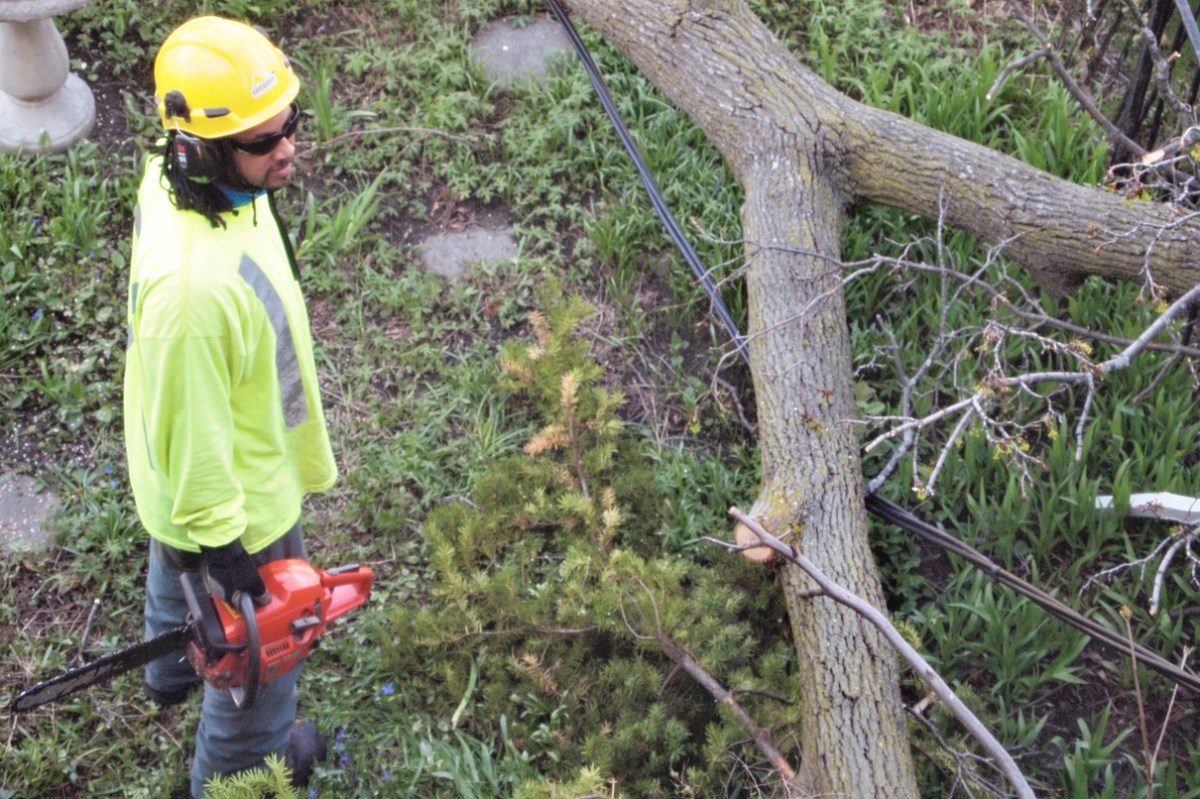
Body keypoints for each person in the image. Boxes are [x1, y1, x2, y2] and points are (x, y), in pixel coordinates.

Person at [123, 16, 337, 797]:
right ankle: (239, 773)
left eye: (290, 126)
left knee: (171, 564)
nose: (287, 150)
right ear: (201, 149)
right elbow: (201, 436)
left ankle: (171, 672)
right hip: (236, 500)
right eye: (262, 141)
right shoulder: (192, 296)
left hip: (176, 478)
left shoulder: (182, 178)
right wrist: (229, 553)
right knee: (260, 665)